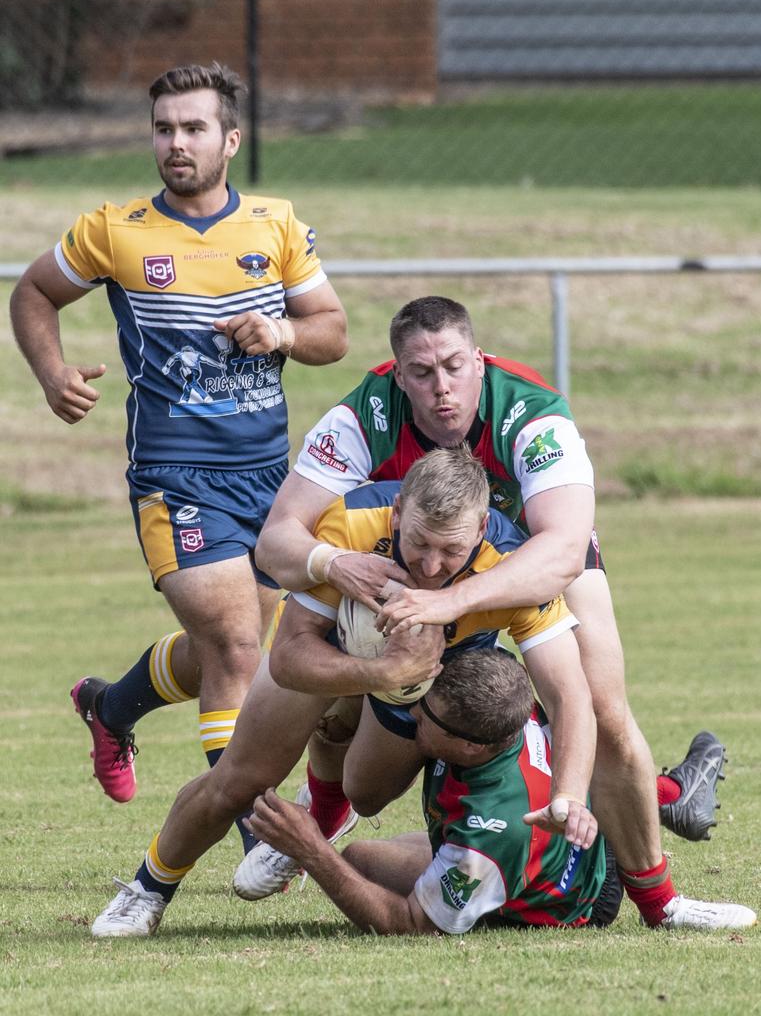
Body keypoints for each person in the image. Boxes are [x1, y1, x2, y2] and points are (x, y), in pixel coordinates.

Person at [250, 294, 731, 928]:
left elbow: (561, 549)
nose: (440, 386)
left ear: (477, 360)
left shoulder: (532, 414)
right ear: (399, 373)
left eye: (453, 366)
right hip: (414, 562)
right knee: (335, 657)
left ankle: (659, 902)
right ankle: (324, 806)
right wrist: (336, 565)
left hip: (529, 560)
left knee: (599, 706)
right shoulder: (363, 415)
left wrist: (448, 602)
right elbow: (278, 540)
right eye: (421, 374)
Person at [9, 63, 347, 826]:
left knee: (225, 647)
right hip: (175, 475)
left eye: (193, 128)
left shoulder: (276, 224)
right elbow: (33, 291)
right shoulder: (114, 229)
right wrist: (51, 370)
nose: (175, 143)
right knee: (234, 648)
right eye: (163, 129)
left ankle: (110, 705)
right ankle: (254, 831)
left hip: (269, 478)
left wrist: (283, 331)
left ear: (231, 139)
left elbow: (334, 331)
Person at [88, 448, 599, 937]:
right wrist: (380, 671)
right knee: (239, 780)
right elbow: (288, 659)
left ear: (482, 529)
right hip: (330, 650)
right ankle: (146, 891)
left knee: (368, 793)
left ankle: (324, 811)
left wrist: (569, 795)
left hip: (432, 679)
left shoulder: (511, 565)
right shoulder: (354, 524)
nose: (431, 565)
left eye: (452, 550)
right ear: (398, 512)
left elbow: (568, 694)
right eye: (420, 542)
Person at [246, 651, 755, 934]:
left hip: (570, 900)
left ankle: (662, 810)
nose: (414, 715)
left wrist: (311, 850)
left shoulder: (491, 835)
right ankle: (670, 795)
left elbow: (408, 924)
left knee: (356, 859)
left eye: (428, 716)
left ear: (470, 744)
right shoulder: (510, 702)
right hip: (562, 840)